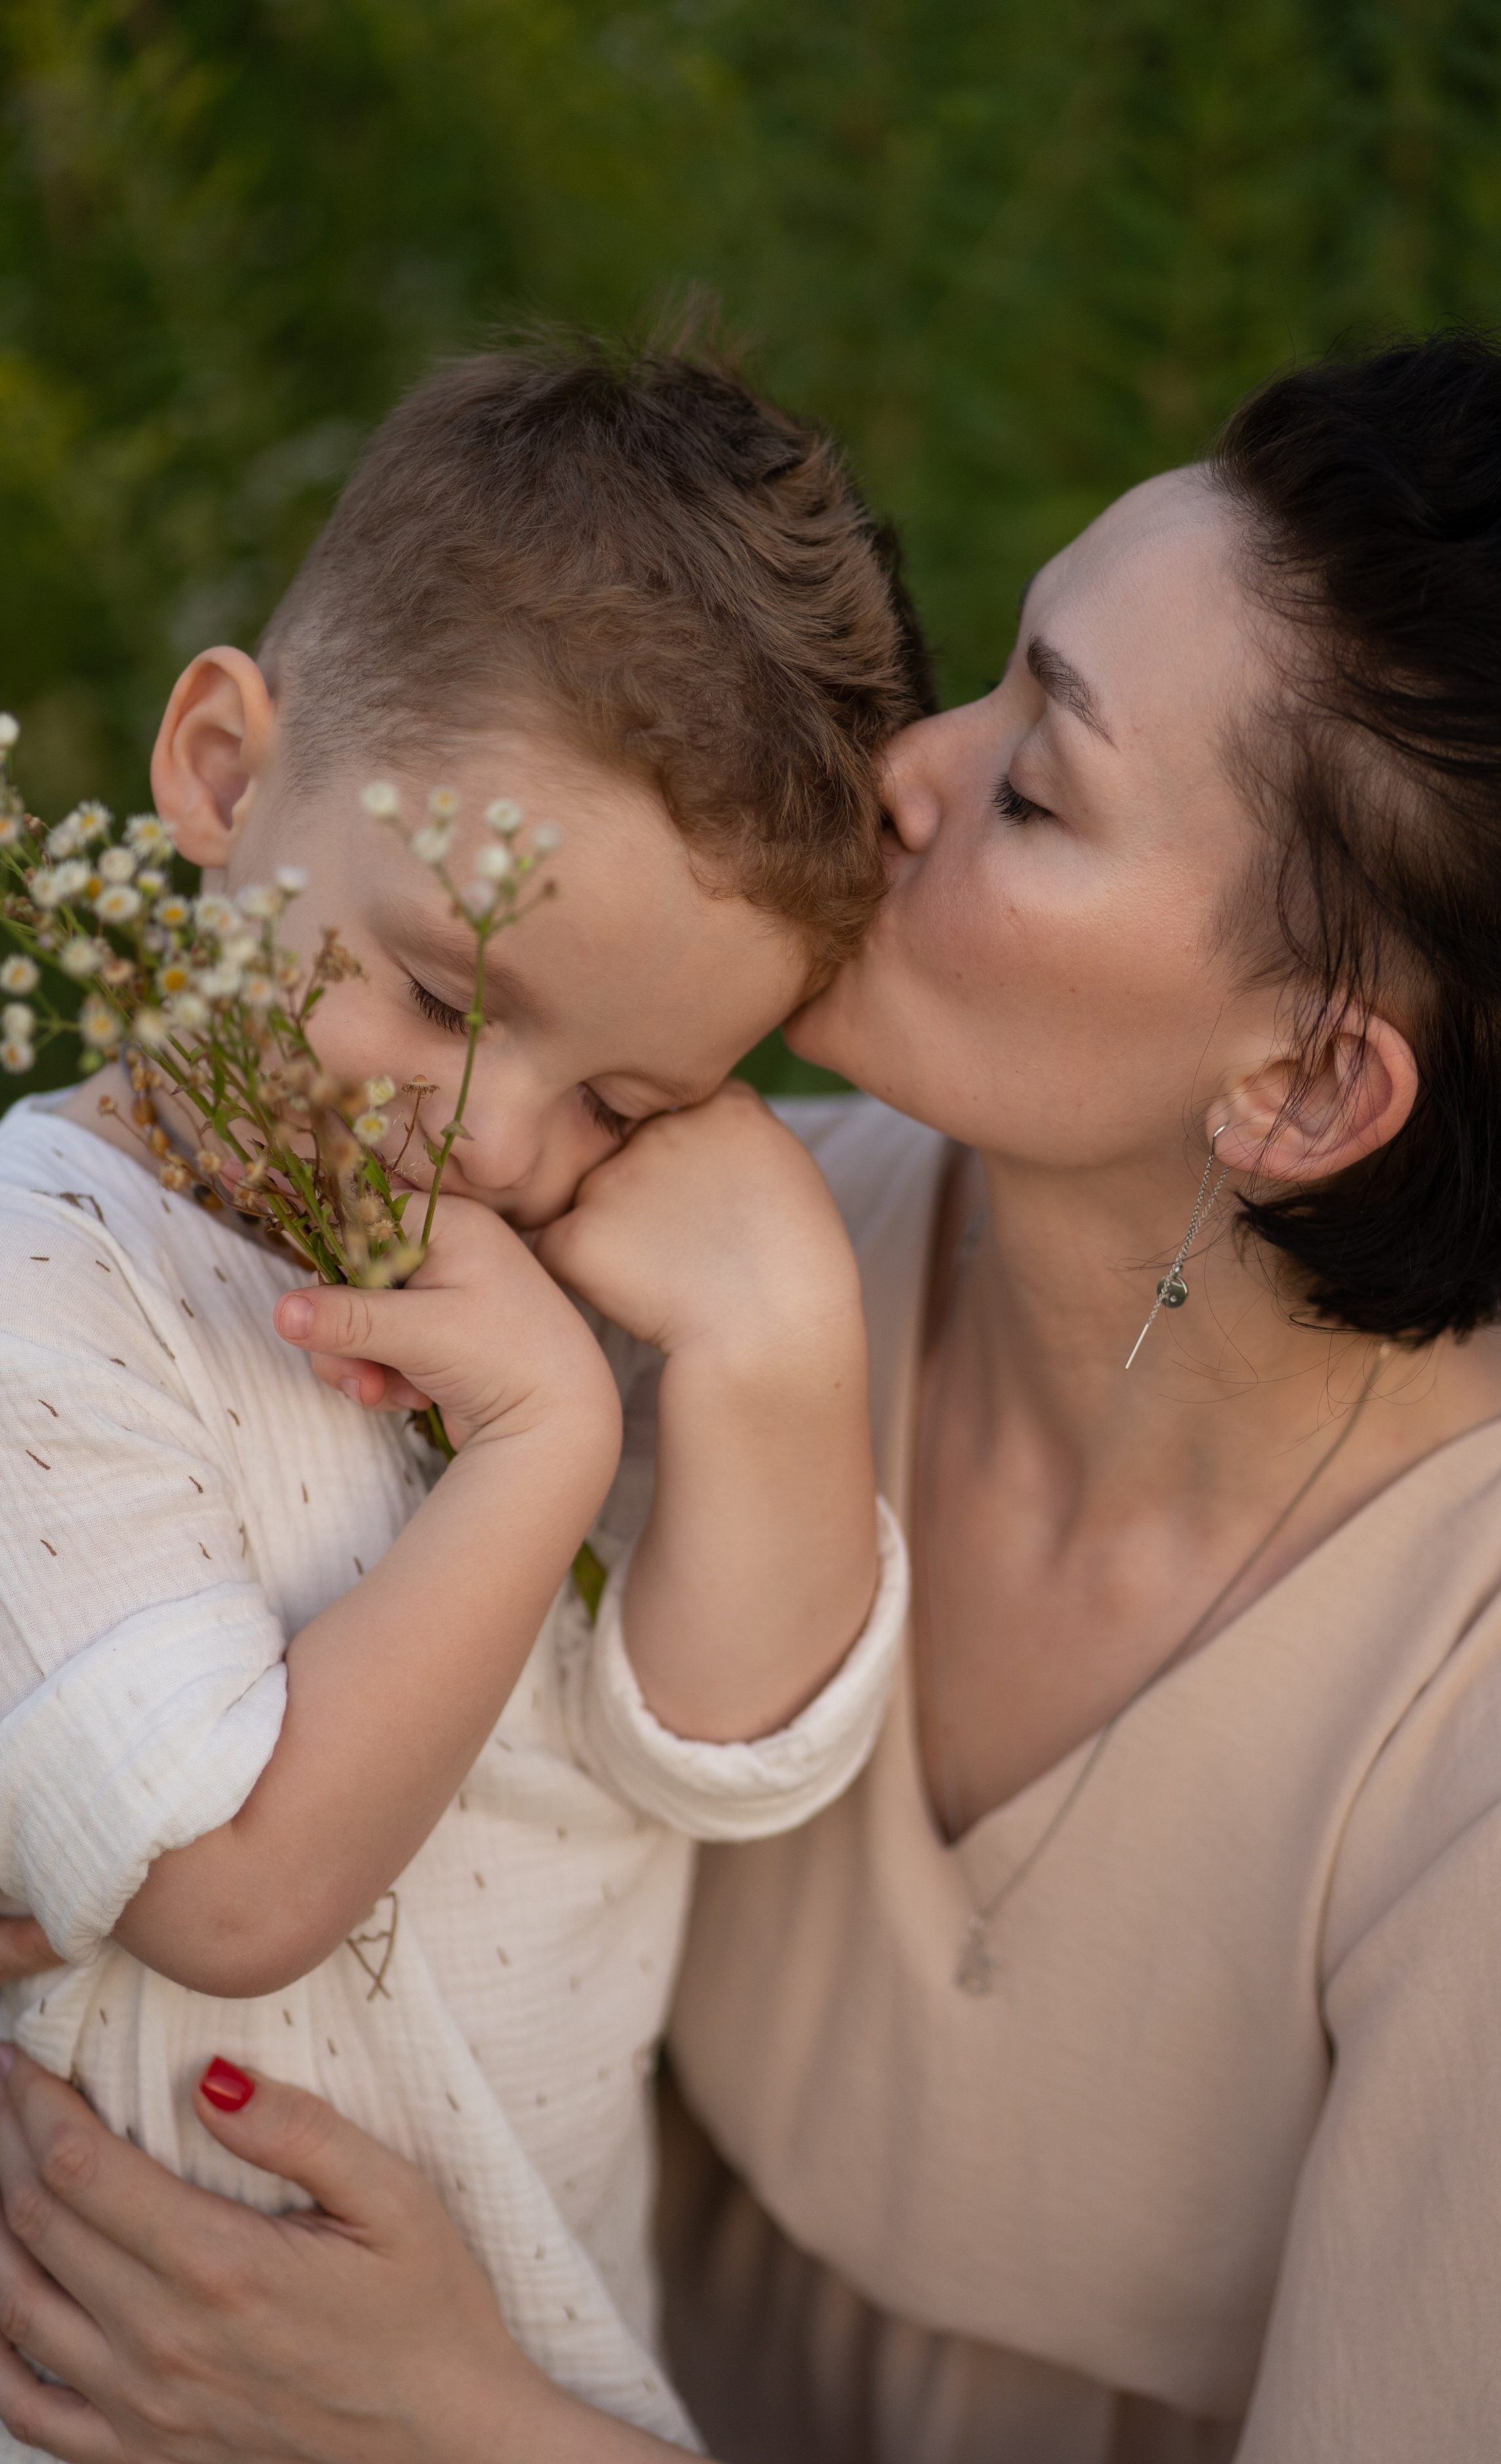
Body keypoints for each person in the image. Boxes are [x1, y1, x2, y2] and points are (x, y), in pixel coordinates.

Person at [1, 329, 1501, 2464]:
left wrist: (454, 2427)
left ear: (1307, 1083)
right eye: (1000, 669)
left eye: (1038, 787)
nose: (899, 770)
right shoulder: (606, 1215)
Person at [0, 341, 929, 2450]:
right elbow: (227, 1889)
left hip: (515, 2373)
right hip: (122, 2381)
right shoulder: (50, 1281)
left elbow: (733, 1758)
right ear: (225, 771)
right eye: (441, 991)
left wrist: (773, 1352)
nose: (495, 1144)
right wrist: (543, 1455)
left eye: (623, 1091)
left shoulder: (550, 1283)